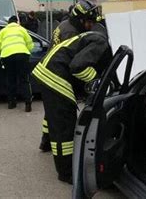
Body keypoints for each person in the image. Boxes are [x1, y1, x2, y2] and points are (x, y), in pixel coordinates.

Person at [32, 30, 112, 184]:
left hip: (46, 70)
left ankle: (46, 142)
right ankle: (66, 172)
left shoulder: (91, 35)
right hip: (56, 76)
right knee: (64, 127)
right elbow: (77, 66)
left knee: (53, 116)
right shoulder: (101, 42)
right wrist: (97, 82)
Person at [39, 0, 99, 152]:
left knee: (51, 114)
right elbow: (75, 62)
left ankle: (45, 141)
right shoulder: (71, 33)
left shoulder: (66, 24)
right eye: (88, 22)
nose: (91, 26)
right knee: (62, 118)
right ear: (80, 19)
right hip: (58, 73)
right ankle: (61, 152)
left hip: (50, 70)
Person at [0, 15, 34, 112]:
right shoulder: (22, 29)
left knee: (11, 79)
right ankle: (28, 103)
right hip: (22, 55)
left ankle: (11, 103)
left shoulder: (3, 31)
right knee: (24, 80)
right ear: (17, 22)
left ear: (8, 23)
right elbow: (30, 45)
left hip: (7, 56)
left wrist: (4, 49)